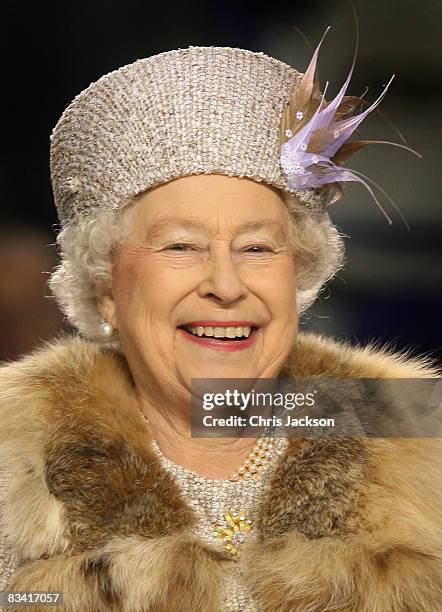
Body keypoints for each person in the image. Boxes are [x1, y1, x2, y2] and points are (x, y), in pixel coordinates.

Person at [0, 34, 441, 612]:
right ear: (106, 289)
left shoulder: (406, 426)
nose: (227, 285)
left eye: (257, 249)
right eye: (181, 246)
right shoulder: (15, 451)